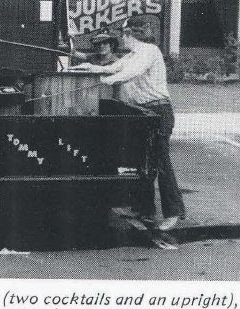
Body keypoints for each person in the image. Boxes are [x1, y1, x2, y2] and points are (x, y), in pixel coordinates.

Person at [73, 15, 185, 231]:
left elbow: (129, 74)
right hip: (141, 112)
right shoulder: (132, 54)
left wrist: (102, 82)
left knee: (160, 162)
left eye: (123, 34)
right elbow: (111, 68)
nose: (121, 38)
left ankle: (174, 212)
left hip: (157, 111)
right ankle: (144, 209)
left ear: (130, 33)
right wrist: (86, 68)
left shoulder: (149, 51)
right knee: (141, 161)